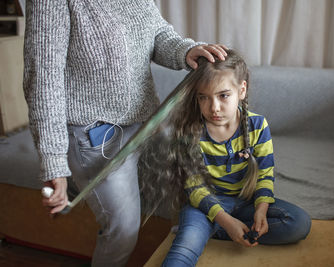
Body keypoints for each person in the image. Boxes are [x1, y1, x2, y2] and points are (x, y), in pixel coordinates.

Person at [22, 1, 227, 266]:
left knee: (191, 185)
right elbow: (42, 79)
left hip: (144, 126)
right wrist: (53, 163)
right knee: (123, 232)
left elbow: (156, 33)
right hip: (95, 138)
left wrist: (186, 49)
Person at [138, 49, 312, 267]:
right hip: (204, 206)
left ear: (242, 90)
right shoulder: (189, 132)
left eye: (223, 95)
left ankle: (217, 231)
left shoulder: (258, 126)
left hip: (244, 202)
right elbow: (194, 188)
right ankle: (212, 228)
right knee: (185, 248)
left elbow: (266, 174)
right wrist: (226, 221)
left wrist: (261, 209)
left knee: (299, 223)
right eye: (204, 98)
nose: (214, 108)